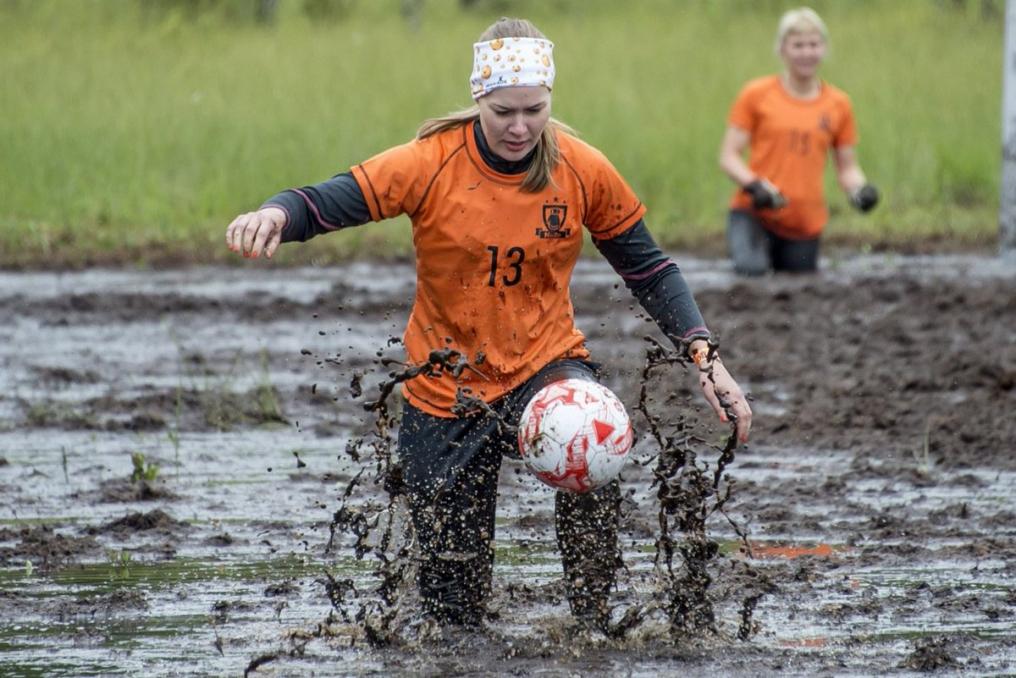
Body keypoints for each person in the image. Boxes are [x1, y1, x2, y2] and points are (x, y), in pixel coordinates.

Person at [225, 17, 752, 631]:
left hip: (544, 367)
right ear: (479, 99)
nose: (521, 126)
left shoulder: (581, 168)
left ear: (551, 99)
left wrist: (707, 360)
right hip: (445, 384)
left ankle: (593, 625)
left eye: (535, 109)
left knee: (595, 435)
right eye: (504, 111)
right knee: (453, 610)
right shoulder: (429, 162)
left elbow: (652, 271)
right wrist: (274, 214)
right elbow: (328, 200)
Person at [718, 7, 879, 275]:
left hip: (804, 222)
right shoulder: (756, 95)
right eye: (798, 45)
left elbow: (847, 168)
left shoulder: (838, 104)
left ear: (824, 49)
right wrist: (755, 186)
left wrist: (859, 191)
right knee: (751, 272)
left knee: (800, 284)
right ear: (782, 49)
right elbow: (729, 156)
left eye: (813, 45)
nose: (806, 53)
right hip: (755, 213)